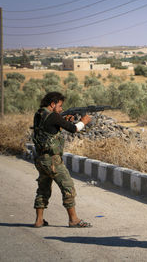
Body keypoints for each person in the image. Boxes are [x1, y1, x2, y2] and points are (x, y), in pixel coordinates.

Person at [32, 91, 92, 228]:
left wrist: (62, 121)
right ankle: (73, 220)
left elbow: (48, 130)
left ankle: (39, 220)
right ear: (52, 104)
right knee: (68, 187)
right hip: (52, 160)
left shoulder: (39, 114)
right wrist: (84, 122)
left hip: (40, 158)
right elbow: (74, 129)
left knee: (43, 188)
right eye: (59, 106)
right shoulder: (53, 116)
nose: (61, 109)